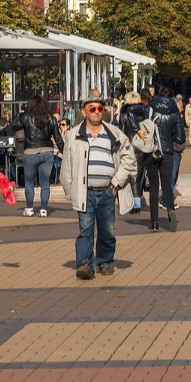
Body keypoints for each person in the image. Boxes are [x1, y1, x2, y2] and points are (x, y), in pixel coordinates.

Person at [61, 92, 136, 279]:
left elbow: (129, 158)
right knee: (85, 230)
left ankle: (105, 261)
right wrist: (70, 190)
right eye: (92, 108)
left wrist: (116, 182)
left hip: (107, 191)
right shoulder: (73, 135)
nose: (96, 112)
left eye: (100, 108)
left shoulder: (114, 133)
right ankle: (85, 264)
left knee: (107, 230)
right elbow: (67, 166)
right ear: (84, 112)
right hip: (85, 191)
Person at [13, 96, 63, 217]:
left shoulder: (27, 117)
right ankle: (43, 209)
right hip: (47, 152)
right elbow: (58, 139)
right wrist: (65, 153)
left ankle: (29, 208)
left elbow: (14, 125)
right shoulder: (51, 119)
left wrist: (21, 113)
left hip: (30, 152)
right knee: (45, 183)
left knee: (29, 182)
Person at [145, 86, 186, 231]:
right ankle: (170, 210)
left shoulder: (150, 108)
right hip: (167, 150)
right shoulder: (175, 112)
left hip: (151, 149)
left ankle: (154, 222)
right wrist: (170, 136)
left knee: (153, 187)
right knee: (167, 185)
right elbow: (180, 138)